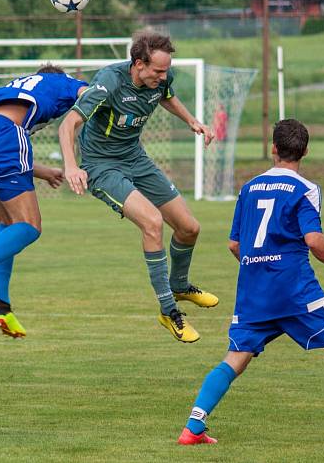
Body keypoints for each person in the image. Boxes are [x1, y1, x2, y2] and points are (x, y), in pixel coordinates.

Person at [177, 119, 324, 446]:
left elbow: (234, 245)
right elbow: (313, 240)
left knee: (235, 357)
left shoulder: (249, 188)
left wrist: (258, 265)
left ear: (273, 148)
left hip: (254, 292)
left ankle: (193, 428)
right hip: (295, 290)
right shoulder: (306, 189)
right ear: (305, 151)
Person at [58, 31, 217, 344]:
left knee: (189, 228)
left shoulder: (159, 80)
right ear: (138, 64)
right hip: (102, 167)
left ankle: (180, 286)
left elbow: (167, 95)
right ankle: (169, 311)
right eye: (157, 71)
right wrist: (71, 165)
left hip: (136, 158)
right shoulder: (110, 82)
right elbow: (69, 124)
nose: (163, 75)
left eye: (165, 70)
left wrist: (191, 121)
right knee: (152, 223)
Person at [0, 64, 88, 339]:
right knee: (29, 226)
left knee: (7, 222)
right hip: (0, 135)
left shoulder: (17, 87)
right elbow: (93, 95)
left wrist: (43, 171)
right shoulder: (62, 82)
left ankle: (2, 306)